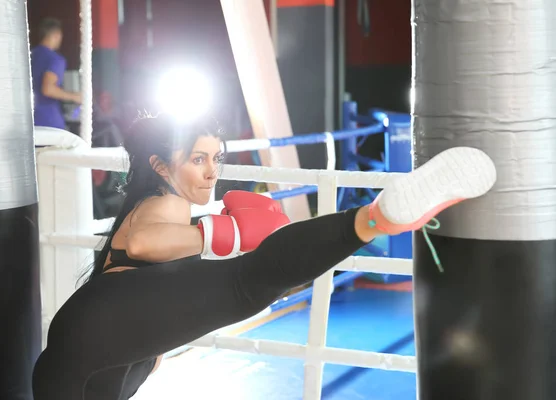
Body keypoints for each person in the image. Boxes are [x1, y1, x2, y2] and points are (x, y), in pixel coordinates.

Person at [31, 113, 496, 399]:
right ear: (160, 166)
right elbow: (144, 245)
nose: (213, 170)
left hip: (87, 354)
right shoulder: (163, 202)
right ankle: (375, 219)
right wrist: (224, 231)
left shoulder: (159, 205)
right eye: (197, 159)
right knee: (247, 283)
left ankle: (375, 219)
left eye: (217, 157)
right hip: (93, 336)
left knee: (255, 283)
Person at [31, 18, 81, 130]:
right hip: (48, 120)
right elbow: (48, 89)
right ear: (57, 35)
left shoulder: (29, 55)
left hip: (27, 119)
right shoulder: (55, 59)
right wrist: (75, 96)